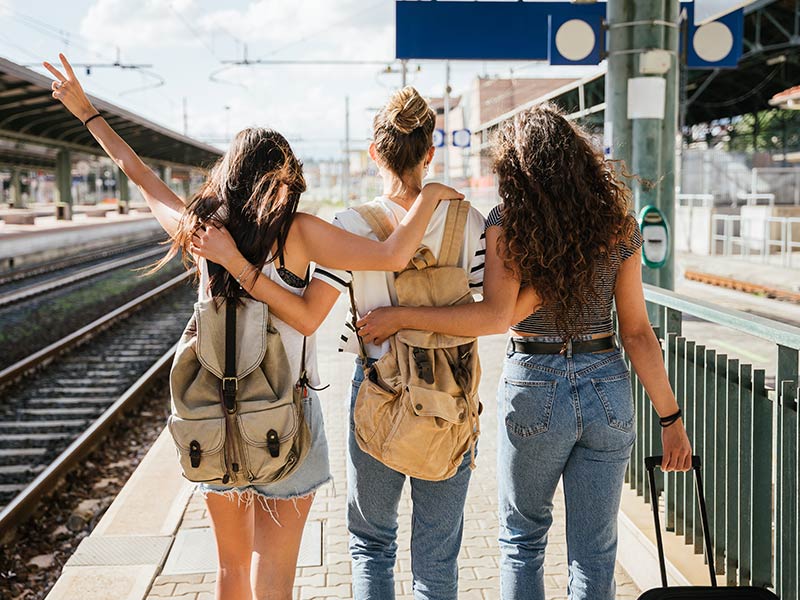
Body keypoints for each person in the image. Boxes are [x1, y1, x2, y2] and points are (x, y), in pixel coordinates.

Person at [44, 54, 462, 600]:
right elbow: (391, 253)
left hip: (215, 413)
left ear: (228, 174)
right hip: (288, 411)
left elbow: (139, 175)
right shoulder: (302, 234)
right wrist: (429, 194)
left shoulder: (200, 231)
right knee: (275, 576)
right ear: (283, 176)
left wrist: (87, 114)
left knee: (230, 571)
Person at [356, 104, 694, 600]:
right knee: (597, 552)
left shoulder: (508, 221)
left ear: (516, 167)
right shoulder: (616, 227)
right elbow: (639, 334)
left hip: (535, 383)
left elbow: (496, 316)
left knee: (523, 541)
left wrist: (403, 315)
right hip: (607, 385)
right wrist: (671, 419)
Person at [194, 86, 487, 600]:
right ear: (429, 152)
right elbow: (488, 312)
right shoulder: (470, 222)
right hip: (452, 396)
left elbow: (319, 307)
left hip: (378, 389)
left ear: (373, 153)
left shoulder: (349, 224)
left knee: (372, 544)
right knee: (437, 556)